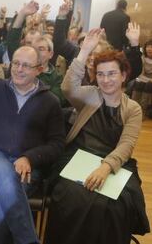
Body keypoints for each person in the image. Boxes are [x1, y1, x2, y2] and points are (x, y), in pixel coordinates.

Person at [0, 13, 65, 244]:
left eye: (26, 66)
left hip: (28, 169)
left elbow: (57, 145)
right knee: (7, 176)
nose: (18, 69)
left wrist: (29, 157)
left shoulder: (50, 102)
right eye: (15, 63)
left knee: (4, 198)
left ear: (39, 69)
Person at [46, 28, 150, 244]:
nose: (106, 80)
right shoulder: (90, 95)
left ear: (123, 75)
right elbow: (67, 88)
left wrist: (105, 167)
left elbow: (126, 145)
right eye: (101, 74)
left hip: (114, 161)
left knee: (116, 204)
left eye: (112, 74)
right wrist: (83, 52)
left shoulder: (132, 108)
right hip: (77, 156)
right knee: (73, 197)